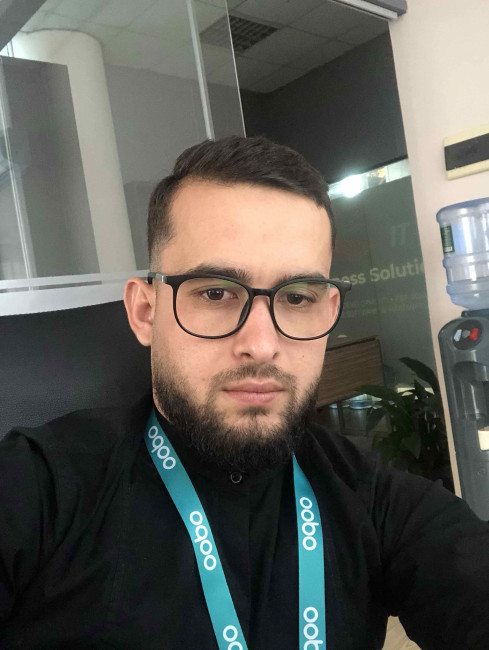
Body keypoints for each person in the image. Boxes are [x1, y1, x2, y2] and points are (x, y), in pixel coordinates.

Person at [1, 136, 488, 650]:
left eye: (297, 297)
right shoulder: (38, 489)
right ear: (145, 312)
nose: (261, 344)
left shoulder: (377, 501)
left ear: (328, 312)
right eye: (215, 292)